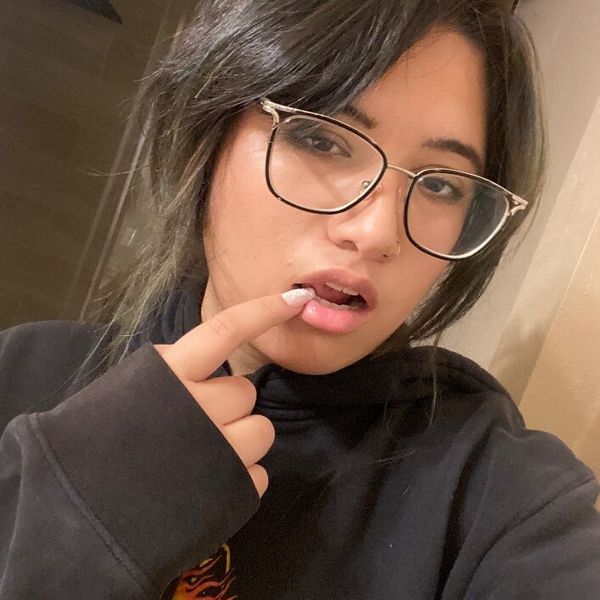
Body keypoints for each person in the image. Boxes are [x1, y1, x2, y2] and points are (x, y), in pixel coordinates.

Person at [1, 0, 599, 598]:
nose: (377, 233)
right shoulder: (22, 373)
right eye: (321, 139)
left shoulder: (495, 494)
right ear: (206, 140)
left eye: (441, 184)